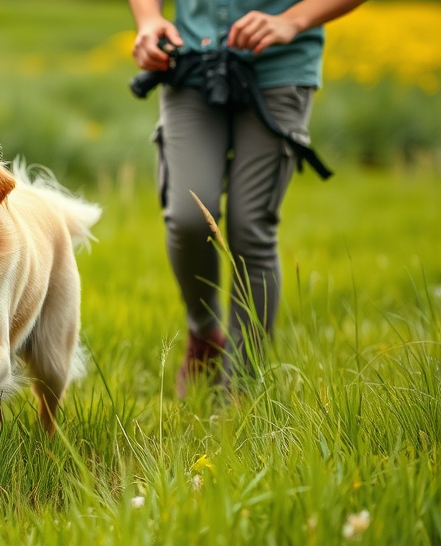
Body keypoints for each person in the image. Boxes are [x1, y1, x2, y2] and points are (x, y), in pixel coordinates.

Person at [128, 0, 364, 396]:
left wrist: (293, 20)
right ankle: (204, 335)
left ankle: (242, 386)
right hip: (189, 60)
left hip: (280, 66)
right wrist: (148, 18)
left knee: (250, 227)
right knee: (188, 214)